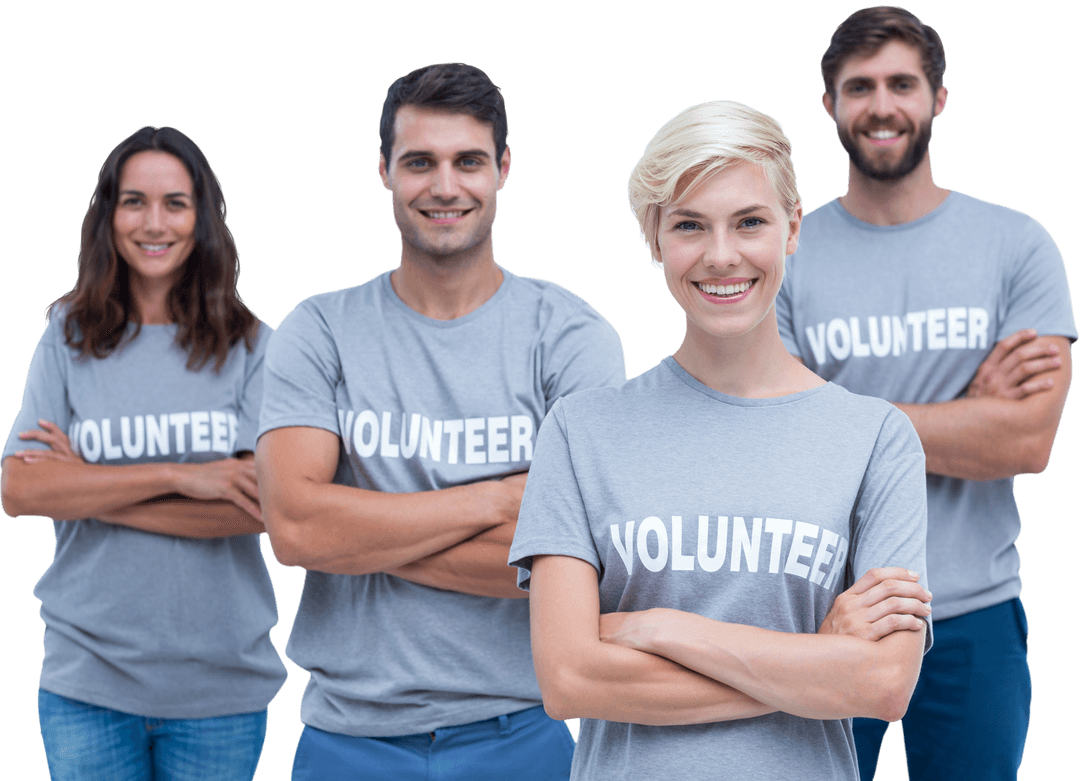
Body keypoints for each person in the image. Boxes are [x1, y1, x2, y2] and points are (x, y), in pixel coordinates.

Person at [508, 100, 934, 781]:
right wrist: (815, 660)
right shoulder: (580, 430)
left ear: (793, 227)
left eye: (750, 222)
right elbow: (567, 677)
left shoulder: (876, 438)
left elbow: (883, 683)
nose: (721, 255)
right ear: (654, 238)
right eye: (688, 225)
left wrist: (661, 628)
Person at [255, 62, 625, 780]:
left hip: (523, 729)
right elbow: (296, 528)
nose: (446, 186)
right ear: (385, 171)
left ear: (504, 169)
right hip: (347, 739)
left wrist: (354, 534)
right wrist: (503, 498)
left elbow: (584, 570)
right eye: (420, 161)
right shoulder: (319, 329)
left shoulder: (573, 338)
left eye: (469, 162)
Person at [774, 7, 1076, 780]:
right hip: (825, 612)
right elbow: (770, 440)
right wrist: (965, 406)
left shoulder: (1018, 246)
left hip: (974, 612)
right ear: (830, 106)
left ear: (938, 97)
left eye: (902, 83)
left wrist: (835, 411)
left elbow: (1026, 442)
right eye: (859, 86)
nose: (882, 105)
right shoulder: (783, 256)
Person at [0, 126, 286, 780]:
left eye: (175, 203)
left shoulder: (252, 345)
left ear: (202, 217)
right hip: (87, 683)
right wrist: (182, 475)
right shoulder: (66, 334)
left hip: (220, 686)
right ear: (109, 215)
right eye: (134, 201)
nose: (153, 223)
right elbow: (21, 489)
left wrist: (86, 485)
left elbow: (262, 505)